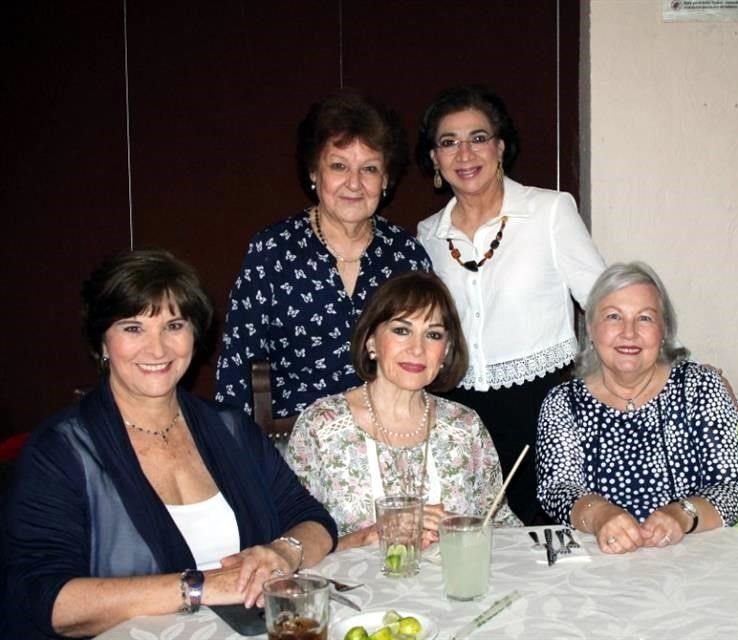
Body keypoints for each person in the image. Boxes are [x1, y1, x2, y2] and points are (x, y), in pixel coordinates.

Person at [2, 250, 337, 639]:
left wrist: (284, 552)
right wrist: (200, 587)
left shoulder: (229, 428)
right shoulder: (60, 451)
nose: (157, 349)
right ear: (102, 344)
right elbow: (45, 600)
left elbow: (313, 519)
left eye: (174, 325)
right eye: (133, 328)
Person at [415, 85, 606, 524]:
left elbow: (603, 304)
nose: (464, 153)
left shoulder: (550, 211)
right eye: (448, 142)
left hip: (541, 409)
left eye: (478, 137)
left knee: (546, 540)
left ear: (501, 147)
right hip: (456, 416)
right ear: (435, 160)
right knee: (465, 539)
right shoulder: (427, 234)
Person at [216, 92, 431, 420]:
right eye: (339, 166)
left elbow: (428, 357)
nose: (354, 183)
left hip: (390, 442)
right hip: (290, 448)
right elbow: (237, 368)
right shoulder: (273, 250)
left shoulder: (406, 256)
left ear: (386, 179)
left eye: (369, 169)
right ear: (314, 172)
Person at [284, 271, 522, 550]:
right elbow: (288, 547)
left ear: (445, 352)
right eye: (401, 330)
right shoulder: (321, 425)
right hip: (352, 591)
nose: (417, 349)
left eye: (433, 335)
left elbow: (502, 528)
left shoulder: (464, 425)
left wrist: (463, 533)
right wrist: (367, 537)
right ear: (371, 341)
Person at [537, 262, 738, 554]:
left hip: (694, 563)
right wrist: (600, 515)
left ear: (664, 330)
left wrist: (682, 514)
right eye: (613, 317)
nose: (629, 332)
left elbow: (733, 489)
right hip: (599, 564)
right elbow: (557, 489)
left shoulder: (701, 387)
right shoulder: (563, 402)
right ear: (591, 329)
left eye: (645, 318)